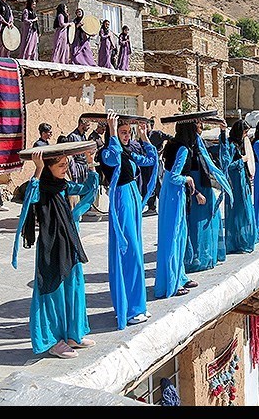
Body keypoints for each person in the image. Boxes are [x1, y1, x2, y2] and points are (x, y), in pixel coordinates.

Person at [12, 149, 98, 358]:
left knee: (74, 286)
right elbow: (29, 198)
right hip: (51, 245)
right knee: (52, 292)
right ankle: (53, 341)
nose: (65, 168)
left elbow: (88, 188)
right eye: (60, 165)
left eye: (66, 164)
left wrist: (90, 162)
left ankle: (74, 334)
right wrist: (38, 170)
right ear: (48, 167)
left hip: (69, 241)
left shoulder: (63, 185)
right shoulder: (40, 187)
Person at [100, 112, 158, 328]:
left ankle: (138, 306)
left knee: (136, 253)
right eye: (123, 132)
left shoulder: (129, 153)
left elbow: (151, 160)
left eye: (127, 133)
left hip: (132, 198)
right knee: (128, 251)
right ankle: (129, 309)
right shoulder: (106, 152)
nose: (126, 136)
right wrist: (112, 130)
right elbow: (113, 159)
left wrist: (144, 137)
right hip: (121, 201)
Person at [154, 119, 204, 298]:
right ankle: (172, 282)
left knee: (178, 236)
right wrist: (188, 179)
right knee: (174, 238)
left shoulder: (172, 144)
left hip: (170, 193)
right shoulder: (183, 149)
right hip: (174, 195)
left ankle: (179, 276)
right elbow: (175, 176)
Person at [183, 118, 233, 273]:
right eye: (198, 126)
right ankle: (196, 258)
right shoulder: (186, 149)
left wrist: (223, 131)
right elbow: (184, 174)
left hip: (206, 188)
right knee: (196, 225)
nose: (201, 128)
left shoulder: (202, 145)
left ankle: (208, 254)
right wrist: (196, 193)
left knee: (211, 221)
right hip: (195, 192)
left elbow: (220, 150)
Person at [218, 119, 259, 254]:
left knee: (245, 210)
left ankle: (245, 238)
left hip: (242, 180)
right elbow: (227, 166)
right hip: (235, 182)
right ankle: (237, 241)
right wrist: (242, 160)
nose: (245, 135)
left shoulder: (239, 144)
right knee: (237, 211)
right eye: (244, 132)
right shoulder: (230, 145)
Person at [66, 116, 92, 183]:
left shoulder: (84, 136)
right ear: (81, 124)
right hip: (77, 166)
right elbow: (70, 155)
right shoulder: (72, 136)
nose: (89, 127)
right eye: (87, 125)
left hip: (84, 165)